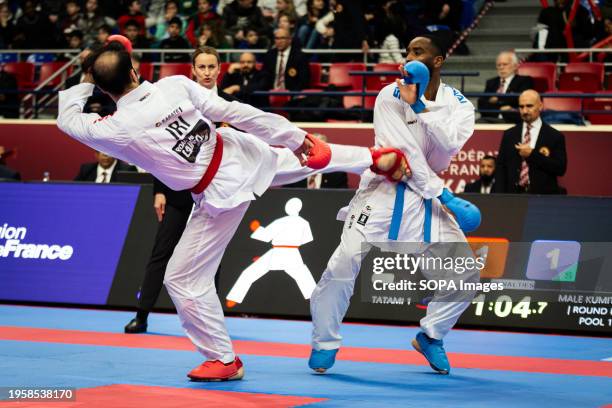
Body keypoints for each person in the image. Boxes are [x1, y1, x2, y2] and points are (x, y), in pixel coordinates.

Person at [58, 41, 407, 381]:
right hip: (239, 153)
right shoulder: (175, 85)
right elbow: (235, 112)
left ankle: (222, 358)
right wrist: (295, 136)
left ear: (103, 91)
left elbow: (67, 120)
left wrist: (86, 78)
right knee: (294, 159)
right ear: (135, 70)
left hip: (219, 193)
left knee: (182, 279)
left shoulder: (115, 130)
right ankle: (375, 158)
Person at [308, 34, 481, 376]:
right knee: (342, 264)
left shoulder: (460, 105)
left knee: (466, 276)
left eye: (417, 52)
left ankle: (431, 336)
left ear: (437, 61)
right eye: (407, 51)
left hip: (424, 196)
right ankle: (324, 341)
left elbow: (447, 148)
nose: (408, 57)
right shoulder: (389, 93)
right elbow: (404, 155)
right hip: (384, 190)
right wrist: (443, 194)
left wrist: (419, 107)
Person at [494, 89, 567, 194]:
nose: (524, 111)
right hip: (513, 197)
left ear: (540, 106)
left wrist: (532, 155)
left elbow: (560, 169)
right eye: (521, 107)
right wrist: (500, 195)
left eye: (529, 106)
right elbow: (501, 167)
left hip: (542, 197)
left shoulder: (554, 136)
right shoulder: (509, 134)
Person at [477, 51, 534, 123]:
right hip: (491, 119)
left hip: (513, 120)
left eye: (505, 64)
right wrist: (502, 108)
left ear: (515, 66)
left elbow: (519, 100)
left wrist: (497, 99)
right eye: (499, 65)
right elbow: (482, 104)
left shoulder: (524, 80)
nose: (501, 67)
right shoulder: (491, 82)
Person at [284, 133, 348, 188]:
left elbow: (342, 198)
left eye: (320, 150)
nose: (314, 152)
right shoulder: (294, 172)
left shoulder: (337, 175)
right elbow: (284, 194)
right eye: (310, 147)